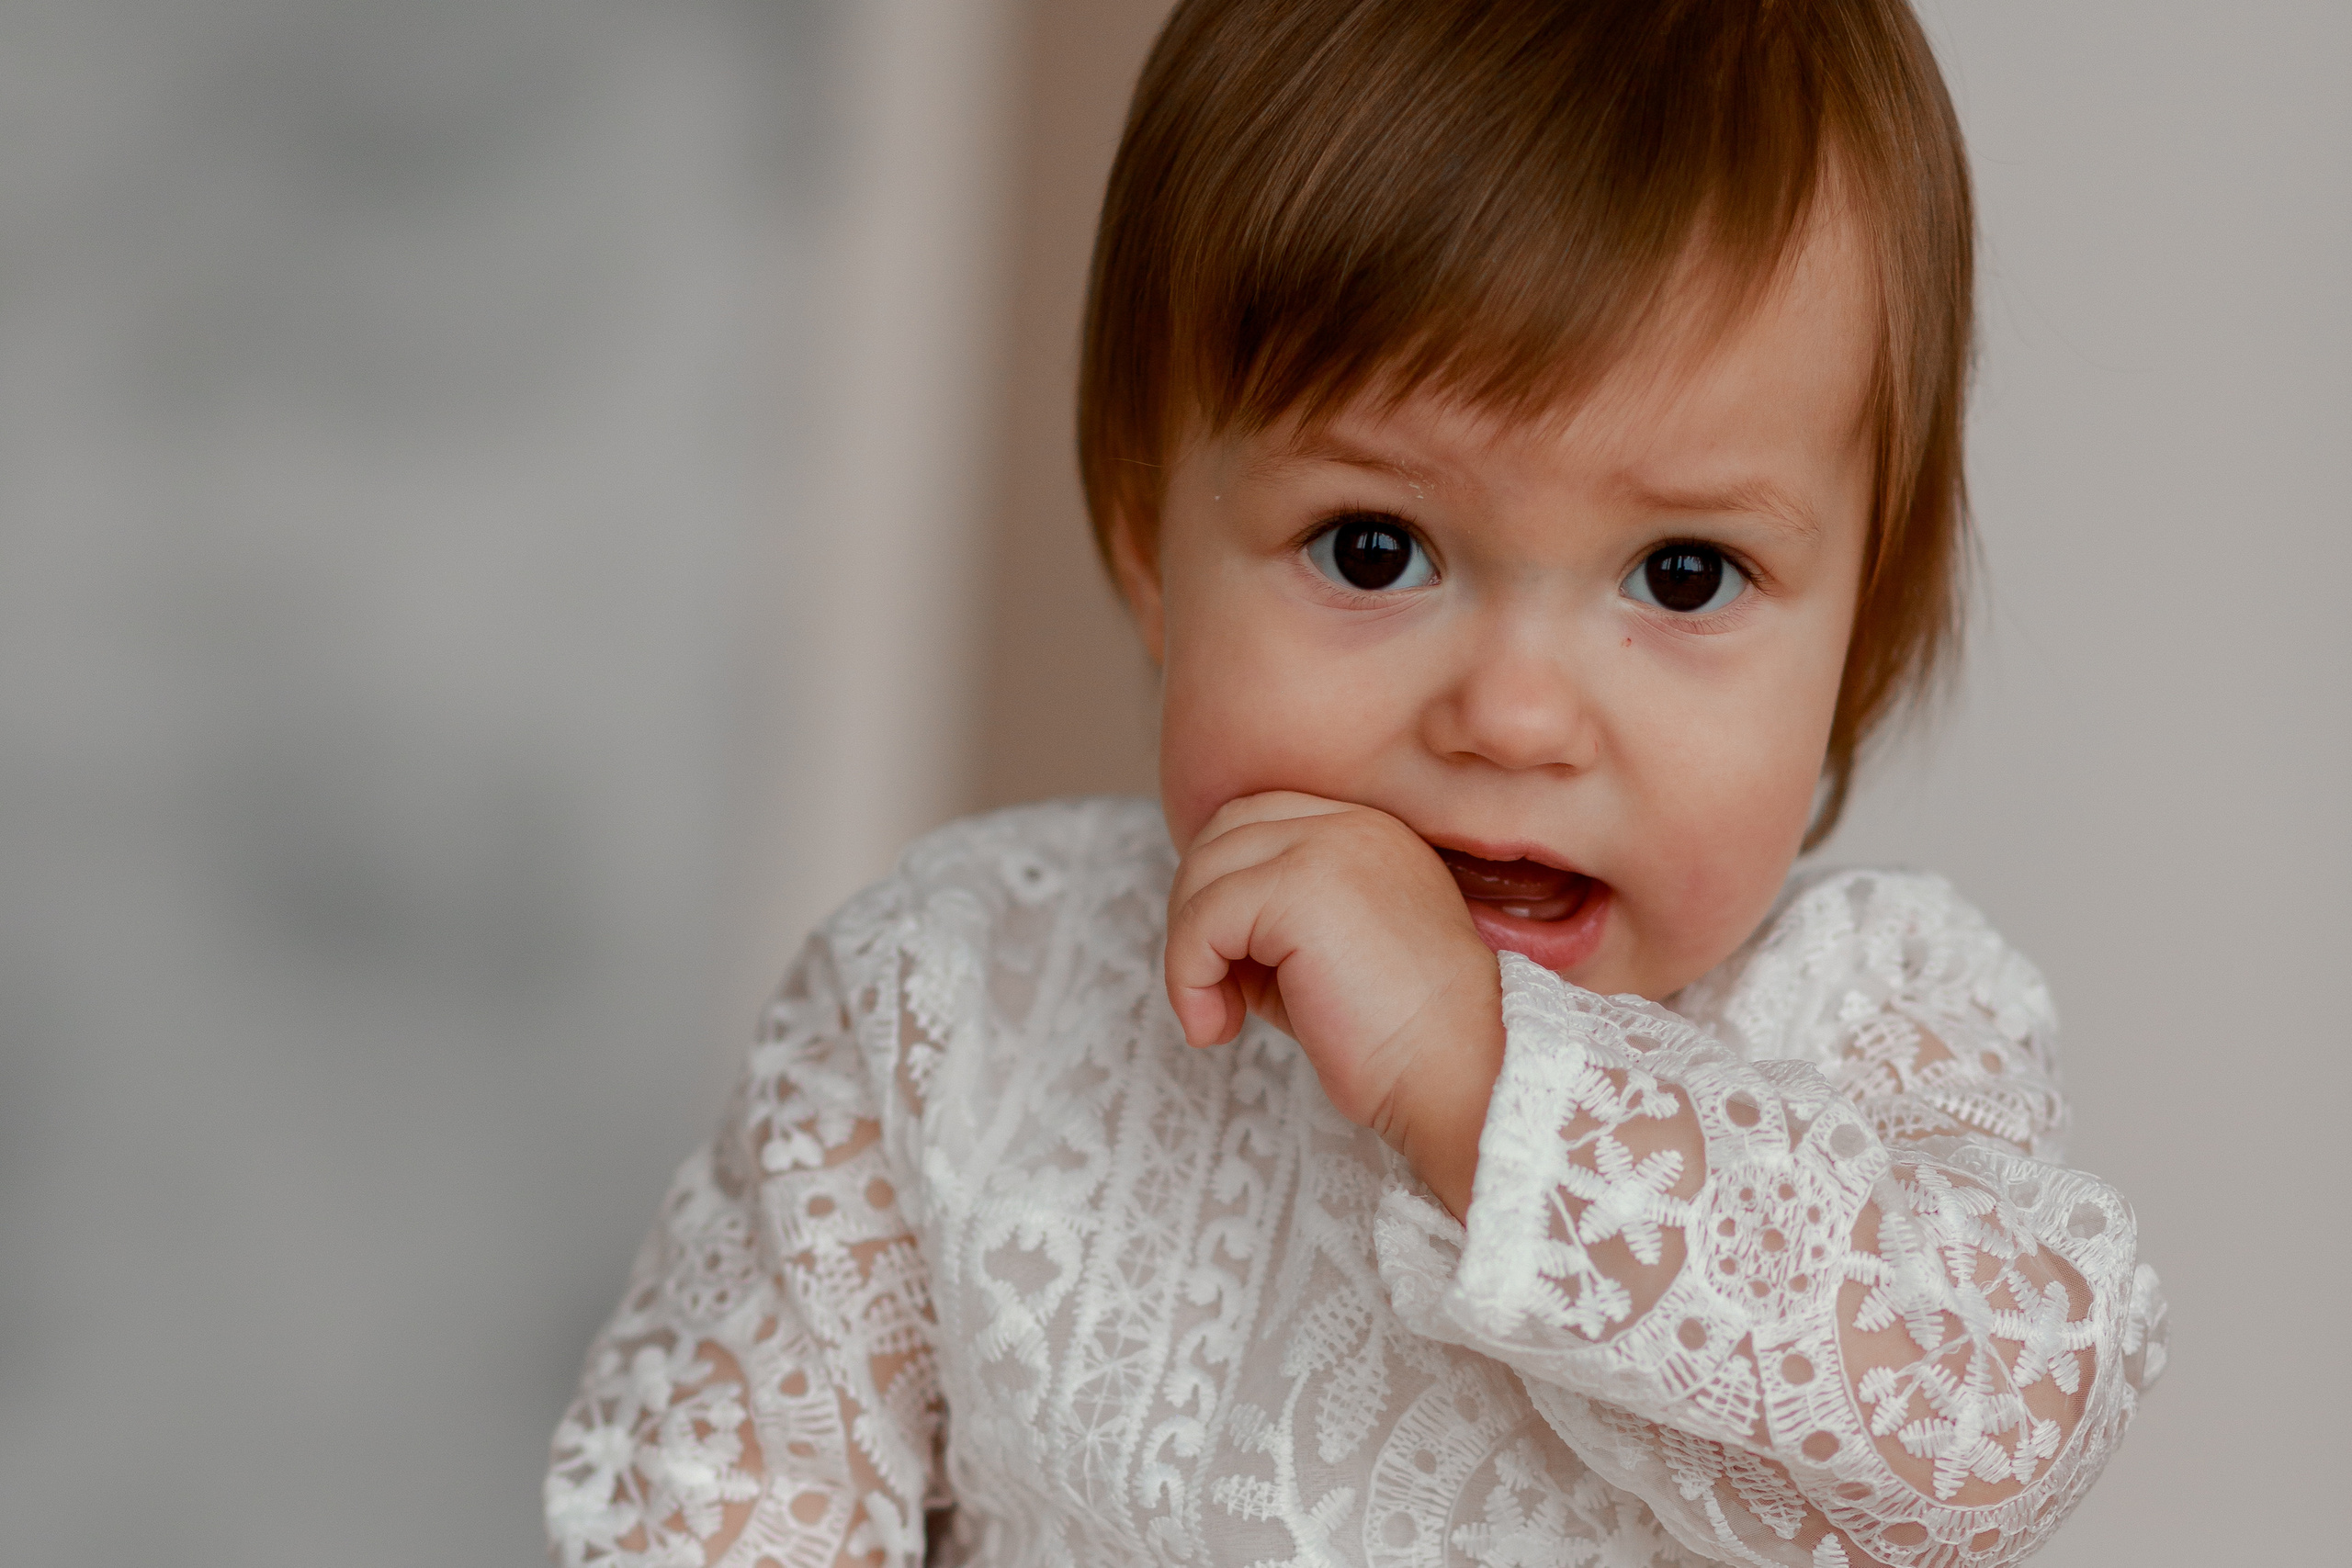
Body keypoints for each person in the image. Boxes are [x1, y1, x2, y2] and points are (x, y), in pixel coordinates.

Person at [544, 2, 2167, 1563]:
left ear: (1858, 626)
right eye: (1374, 548)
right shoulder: (954, 996)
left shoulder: (1873, 1022)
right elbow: (708, 1504)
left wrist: (1479, 1077)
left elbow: (1991, 1433)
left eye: (1682, 575)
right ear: (1149, 544)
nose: (1518, 717)